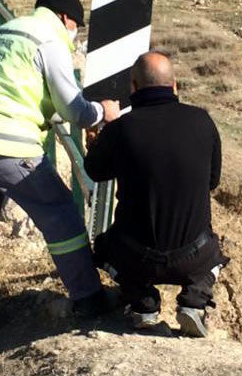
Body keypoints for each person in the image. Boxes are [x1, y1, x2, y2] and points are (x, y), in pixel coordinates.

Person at [0, 0, 120, 355]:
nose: (74, 36)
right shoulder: (49, 37)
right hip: (6, 141)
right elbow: (74, 107)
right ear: (64, 17)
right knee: (60, 215)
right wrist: (100, 114)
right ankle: (89, 299)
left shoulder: (5, 32)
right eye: (75, 28)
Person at [84, 51, 228, 337]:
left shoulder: (121, 129)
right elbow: (212, 181)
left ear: (133, 88)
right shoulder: (202, 121)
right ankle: (195, 301)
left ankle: (143, 304)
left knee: (102, 250)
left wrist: (98, 142)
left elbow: (96, 172)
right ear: (174, 86)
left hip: (135, 257)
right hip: (194, 255)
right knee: (217, 256)